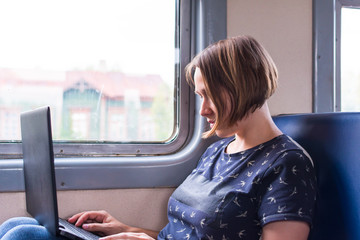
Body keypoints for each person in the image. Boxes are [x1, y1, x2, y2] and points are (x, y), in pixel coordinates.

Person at [0, 35, 316, 240]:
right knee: (17, 226)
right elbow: (181, 234)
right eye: (198, 96)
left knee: (22, 238)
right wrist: (127, 229)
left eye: (209, 95)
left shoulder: (286, 164)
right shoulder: (217, 152)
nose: (203, 109)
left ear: (241, 86)